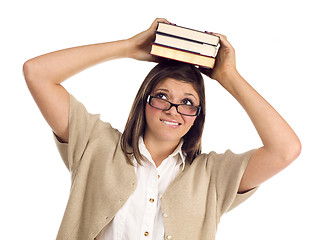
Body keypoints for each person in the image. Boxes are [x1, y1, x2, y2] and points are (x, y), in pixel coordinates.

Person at [23, 18, 301, 240]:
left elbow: (286, 150)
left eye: (188, 102)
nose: (173, 110)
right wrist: (127, 48)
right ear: (144, 101)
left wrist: (228, 76)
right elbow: (37, 72)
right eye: (163, 96)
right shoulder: (94, 145)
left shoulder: (213, 177)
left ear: (197, 117)